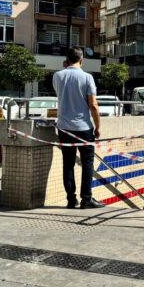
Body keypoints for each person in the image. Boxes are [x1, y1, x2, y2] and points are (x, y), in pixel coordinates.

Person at [53, 46, 105, 209]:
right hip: (83, 128)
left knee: (68, 163)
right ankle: (86, 199)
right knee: (87, 163)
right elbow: (94, 105)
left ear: (66, 60)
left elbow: (61, 94)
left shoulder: (57, 76)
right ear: (82, 60)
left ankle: (71, 199)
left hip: (63, 127)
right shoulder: (87, 78)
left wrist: (65, 69)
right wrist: (97, 127)